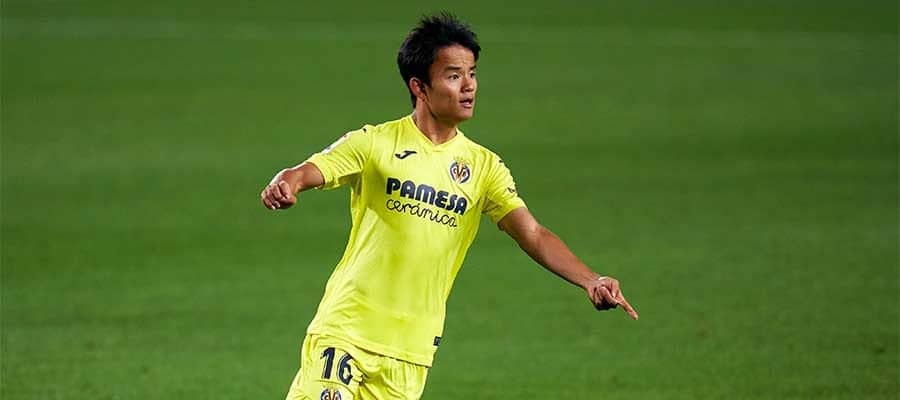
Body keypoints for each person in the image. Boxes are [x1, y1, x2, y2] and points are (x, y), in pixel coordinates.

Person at [261, 13, 638, 400]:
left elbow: (533, 233)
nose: (469, 85)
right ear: (419, 87)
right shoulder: (375, 143)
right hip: (346, 329)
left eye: (472, 73)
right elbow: (307, 171)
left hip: (410, 352)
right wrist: (287, 184)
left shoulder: (484, 167)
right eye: (454, 75)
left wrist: (590, 279)